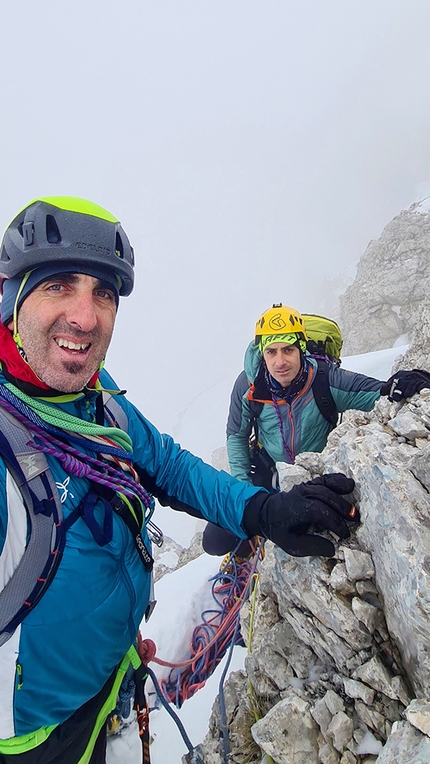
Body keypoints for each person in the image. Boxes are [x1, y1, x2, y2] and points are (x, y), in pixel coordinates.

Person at [0, 199, 360, 764]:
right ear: (10, 293)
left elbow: (166, 466)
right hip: (36, 742)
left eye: (103, 293)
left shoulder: (95, 398)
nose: (85, 316)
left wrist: (264, 509)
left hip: (114, 692)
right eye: (58, 285)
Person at [202, 303, 430, 556]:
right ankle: (251, 548)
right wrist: (245, 495)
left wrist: (405, 383)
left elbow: (377, 393)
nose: (280, 361)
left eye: (288, 349)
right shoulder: (247, 385)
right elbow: (236, 436)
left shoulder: (324, 378)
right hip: (268, 470)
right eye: (271, 352)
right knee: (215, 540)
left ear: (301, 348)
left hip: (315, 472)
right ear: (262, 354)